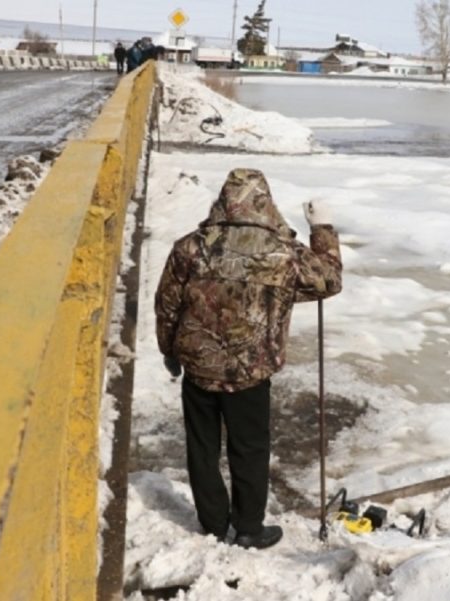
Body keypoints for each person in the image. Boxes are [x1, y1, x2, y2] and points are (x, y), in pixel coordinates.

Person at [155, 168, 342, 549]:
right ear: (265, 204)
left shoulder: (191, 247)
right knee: (250, 449)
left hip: (200, 368)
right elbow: (328, 281)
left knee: (202, 447)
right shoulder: (282, 253)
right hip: (250, 372)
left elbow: (167, 306)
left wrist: (169, 350)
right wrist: (322, 228)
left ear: (224, 201)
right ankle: (248, 528)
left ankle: (212, 524)